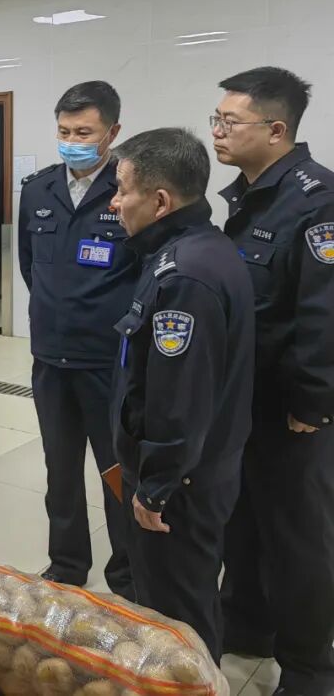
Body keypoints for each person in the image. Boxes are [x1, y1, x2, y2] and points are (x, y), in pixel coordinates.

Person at [109, 127, 254, 660]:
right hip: (196, 473)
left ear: (160, 201)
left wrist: (156, 487)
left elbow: (179, 402)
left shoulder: (185, 277)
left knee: (178, 620)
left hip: (181, 488)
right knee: (183, 600)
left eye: (122, 189)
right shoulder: (198, 249)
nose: (114, 202)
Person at [213, 67, 334, 696]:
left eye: (230, 122)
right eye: (216, 119)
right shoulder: (249, 195)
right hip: (247, 401)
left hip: (291, 409)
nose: (217, 131)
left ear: (277, 129)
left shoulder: (317, 201)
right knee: (244, 521)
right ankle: (248, 625)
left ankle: (310, 667)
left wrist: (311, 402)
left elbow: (324, 313)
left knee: (296, 538)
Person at [17, 81, 136, 598]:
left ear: (112, 131)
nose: (72, 142)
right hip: (51, 357)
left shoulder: (131, 187)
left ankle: (127, 573)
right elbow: (30, 265)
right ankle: (66, 563)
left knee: (117, 470)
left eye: (84, 133)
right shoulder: (38, 189)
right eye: (64, 132)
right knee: (60, 469)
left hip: (108, 360)